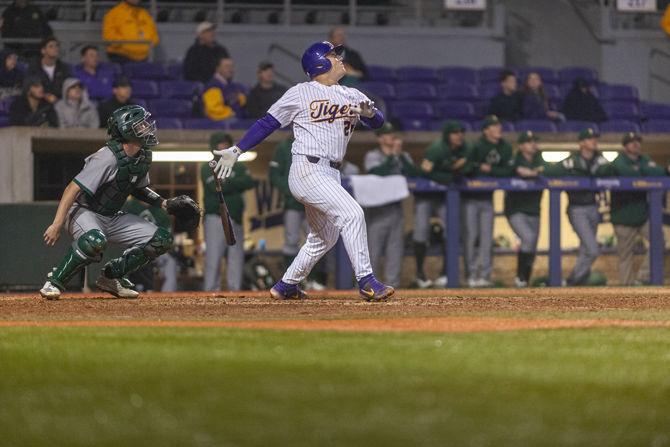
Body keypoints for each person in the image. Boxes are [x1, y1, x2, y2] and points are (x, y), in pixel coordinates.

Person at [212, 41, 393, 301]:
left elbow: (378, 123)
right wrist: (238, 150)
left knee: (324, 237)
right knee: (353, 214)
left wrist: (372, 113)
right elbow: (268, 123)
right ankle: (366, 281)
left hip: (331, 173)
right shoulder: (301, 92)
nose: (340, 58)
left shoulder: (352, 94)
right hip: (307, 168)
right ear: (320, 62)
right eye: (333, 54)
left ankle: (285, 285)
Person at [39, 105, 175, 300]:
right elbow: (72, 188)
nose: (147, 127)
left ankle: (112, 277)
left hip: (110, 215)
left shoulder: (143, 156)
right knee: (94, 240)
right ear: (127, 129)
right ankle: (54, 282)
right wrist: (57, 224)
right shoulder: (108, 156)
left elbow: (139, 189)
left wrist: (164, 203)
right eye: (140, 125)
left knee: (162, 239)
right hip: (83, 211)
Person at [596, 132, 665, 285]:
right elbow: (622, 172)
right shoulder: (618, 161)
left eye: (638, 141)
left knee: (659, 241)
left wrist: (642, 171)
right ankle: (627, 289)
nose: (635, 144)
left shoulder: (644, 159)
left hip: (642, 215)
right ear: (625, 146)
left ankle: (643, 277)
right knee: (625, 255)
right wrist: (642, 172)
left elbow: (659, 172)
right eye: (631, 142)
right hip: (623, 216)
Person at [545, 128, 608, 286]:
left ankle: (579, 283)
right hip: (577, 207)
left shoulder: (600, 160)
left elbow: (614, 172)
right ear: (581, 143)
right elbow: (550, 171)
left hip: (593, 206)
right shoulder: (572, 161)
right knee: (592, 249)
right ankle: (573, 279)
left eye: (594, 138)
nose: (593, 141)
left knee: (585, 249)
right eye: (589, 138)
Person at [414, 120, 470, 288]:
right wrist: (449, 175)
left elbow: (467, 168)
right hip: (426, 195)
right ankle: (419, 274)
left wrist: (451, 173)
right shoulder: (436, 149)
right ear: (447, 135)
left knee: (451, 231)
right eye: (455, 132)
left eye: (461, 132)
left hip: (444, 198)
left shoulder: (464, 147)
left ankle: (446, 273)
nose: (459, 135)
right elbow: (424, 173)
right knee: (420, 233)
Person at [362, 124, 419, 288]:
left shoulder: (403, 155)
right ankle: (370, 286)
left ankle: (393, 285)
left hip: (395, 207)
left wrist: (399, 156)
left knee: (395, 249)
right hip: (377, 209)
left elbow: (414, 173)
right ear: (380, 138)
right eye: (387, 134)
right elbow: (377, 173)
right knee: (374, 250)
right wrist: (392, 156)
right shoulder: (372, 155)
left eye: (393, 134)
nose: (391, 137)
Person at [269, 137, 327, 291]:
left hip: (313, 201)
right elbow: (273, 175)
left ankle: (314, 280)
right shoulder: (284, 146)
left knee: (318, 240)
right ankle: (290, 282)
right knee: (291, 241)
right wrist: (291, 190)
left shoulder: (315, 141)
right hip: (292, 203)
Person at [463, 115, 514, 287]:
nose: (498, 128)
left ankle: (484, 276)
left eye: (499, 125)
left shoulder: (505, 147)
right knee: (471, 237)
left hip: (487, 198)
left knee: (486, 238)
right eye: (494, 126)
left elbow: (508, 171)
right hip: (470, 198)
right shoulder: (476, 146)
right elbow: (468, 168)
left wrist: (490, 169)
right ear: (486, 130)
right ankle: (470, 275)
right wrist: (481, 169)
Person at [202, 132, 255, 291]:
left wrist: (226, 182)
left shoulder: (238, 165)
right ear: (214, 146)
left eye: (226, 143)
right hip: (215, 218)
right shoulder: (208, 166)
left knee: (236, 258)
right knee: (213, 258)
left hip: (235, 218)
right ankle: (210, 292)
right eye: (220, 143)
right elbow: (214, 187)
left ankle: (235, 292)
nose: (223, 146)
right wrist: (234, 184)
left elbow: (248, 182)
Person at [505, 130, 545, 287]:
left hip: (534, 209)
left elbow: (546, 171)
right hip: (516, 209)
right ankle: (520, 277)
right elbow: (507, 171)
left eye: (534, 141)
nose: (533, 144)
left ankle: (525, 281)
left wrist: (532, 173)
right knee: (527, 238)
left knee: (532, 246)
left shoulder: (539, 159)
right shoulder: (514, 159)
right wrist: (520, 171)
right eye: (529, 142)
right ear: (521, 146)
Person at [122, 197, 179, 292]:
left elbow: (168, 236)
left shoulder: (160, 209)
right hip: (133, 247)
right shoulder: (130, 206)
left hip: (156, 249)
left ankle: (168, 294)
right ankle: (137, 288)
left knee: (171, 262)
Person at [202, 57, 247, 121]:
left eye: (232, 67)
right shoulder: (213, 86)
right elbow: (213, 110)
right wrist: (231, 113)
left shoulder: (234, 86)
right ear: (218, 68)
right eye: (227, 66)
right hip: (219, 126)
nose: (230, 69)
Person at [27, 36, 71, 103]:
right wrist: (45, 96)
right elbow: (28, 89)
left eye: (57, 46)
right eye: (51, 46)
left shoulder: (65, 68)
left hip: (61, 104)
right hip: (39, 104)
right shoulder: (33, 68)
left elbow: (70, 88)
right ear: (43, 51)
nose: (55, 48)